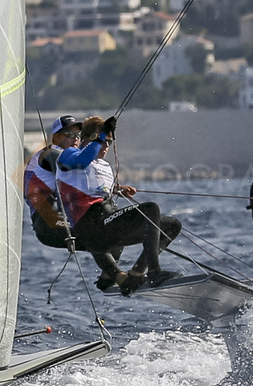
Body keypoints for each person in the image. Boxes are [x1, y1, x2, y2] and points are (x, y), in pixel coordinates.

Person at [56, 115, 180, 296]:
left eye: (109, 142)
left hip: (107, 227)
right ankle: (154, 272)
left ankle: (135, 272)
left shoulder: (103, 165)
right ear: (90, 139)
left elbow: (91, 187)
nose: (106, 146)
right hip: (91, 228)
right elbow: (81, 163)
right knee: (150, 208)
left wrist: (117, 190)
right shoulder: (68, 155)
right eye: (103, 141)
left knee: (172, 225)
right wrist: (101, 134)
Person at [24, 115, 124, 292]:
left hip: (60, 219)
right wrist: (99, 138)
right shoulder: (51, 154)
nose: (75, 139)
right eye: (69, 134)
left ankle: (108, 279)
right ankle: (120, 278)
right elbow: (78, 166)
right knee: (94, 233)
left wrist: (113, 189)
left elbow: (75, 181)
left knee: (113, 235)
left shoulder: (62, 157)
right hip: (48, 221)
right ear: (55, 137)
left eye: (78, 135)